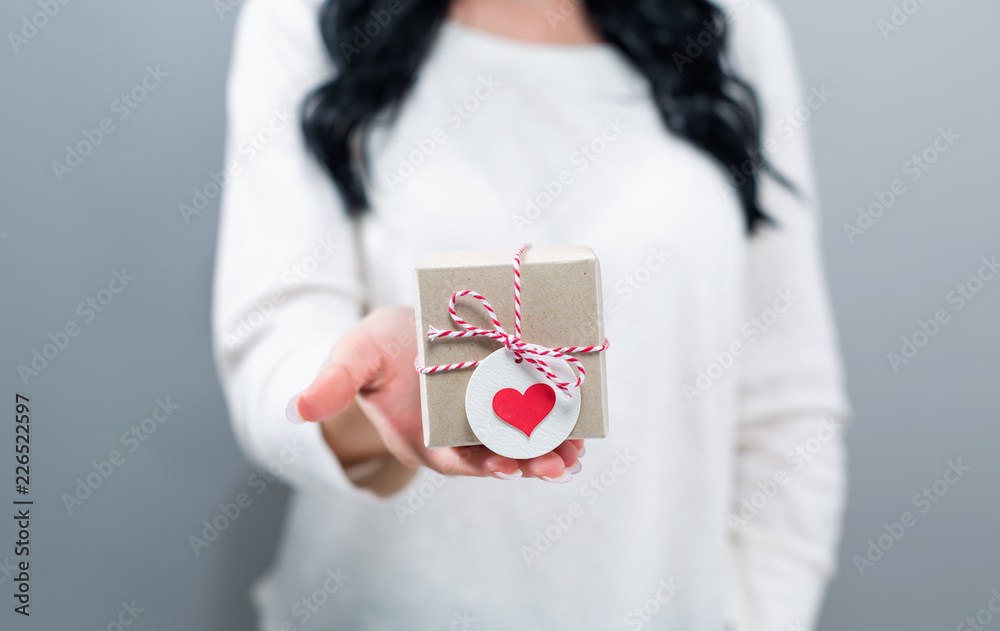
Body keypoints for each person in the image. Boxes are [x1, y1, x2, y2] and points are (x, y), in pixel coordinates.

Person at [212, 0, 849, 628]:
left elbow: (788, 401)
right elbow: (274, 355)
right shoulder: (302, 16)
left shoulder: (731, 26)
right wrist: (368, 399)